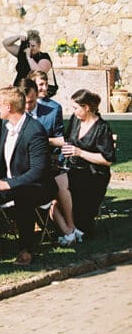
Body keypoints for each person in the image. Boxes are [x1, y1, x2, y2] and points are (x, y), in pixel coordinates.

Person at [0, 85, 57, 266]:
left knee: (22, 196)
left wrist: (9, 184)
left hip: (37, 186)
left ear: (8, 107)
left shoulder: (34, 131)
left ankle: (26, 250)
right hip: (9, 182)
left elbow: (39, 171)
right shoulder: (6, 126)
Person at [58, 89, 115, 237]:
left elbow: (107, 160)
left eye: (76, 108)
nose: (73, 111)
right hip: (73, 169)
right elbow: (67, 141)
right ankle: (66, 225)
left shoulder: (102, 128)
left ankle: (73, 226)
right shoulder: (75, 120)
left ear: (86, 108)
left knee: (64, 184)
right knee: (53, 182)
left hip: (94, 174)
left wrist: (80, 152)